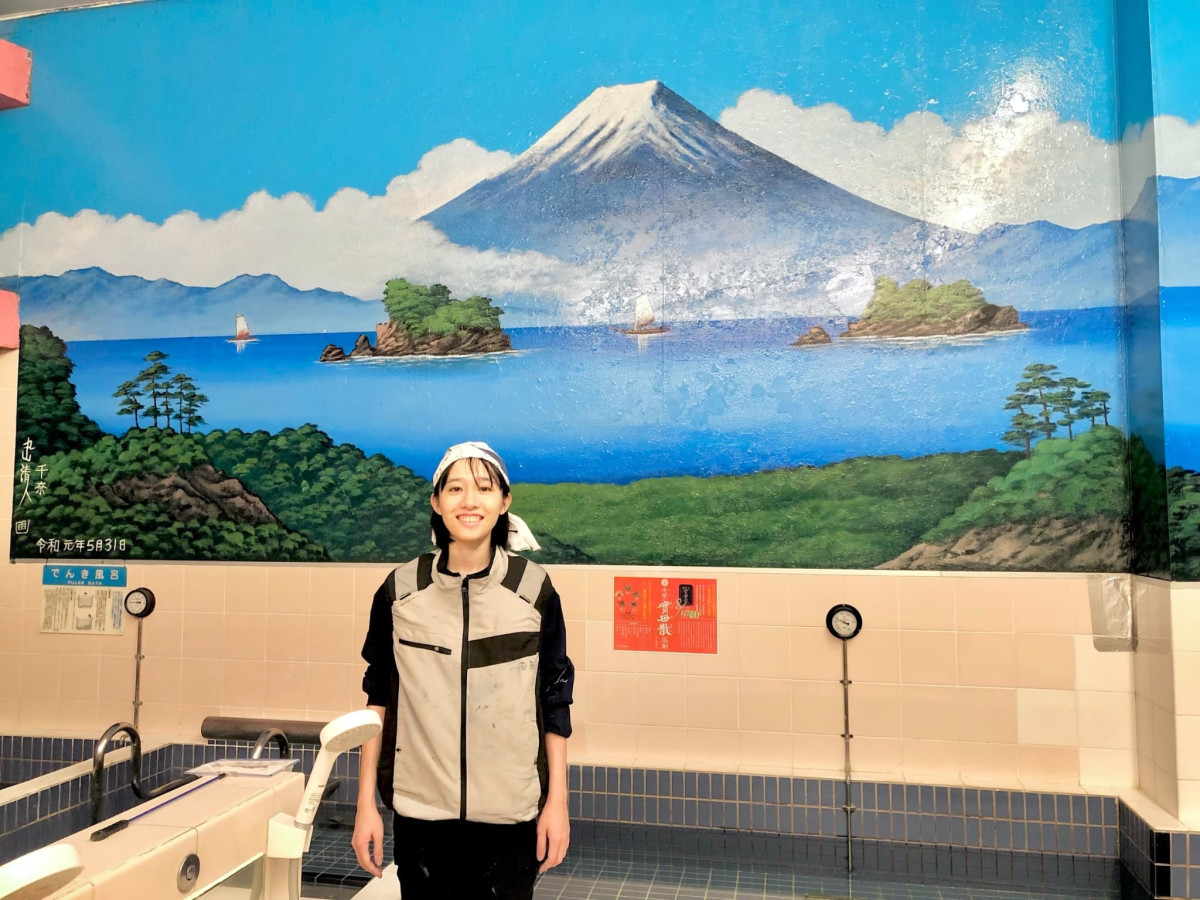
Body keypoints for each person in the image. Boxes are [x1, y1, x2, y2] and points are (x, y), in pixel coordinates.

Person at [352, 441, 574, 900]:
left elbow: (555, 699)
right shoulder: (400, 590)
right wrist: (365, 804)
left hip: (510, 815)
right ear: (436, 502)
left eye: (484, 488)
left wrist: (557, 803)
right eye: (455, 489)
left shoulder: (533, 589)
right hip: (421, 817)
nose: (469, 501)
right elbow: (378, 700)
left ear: (504, 501)